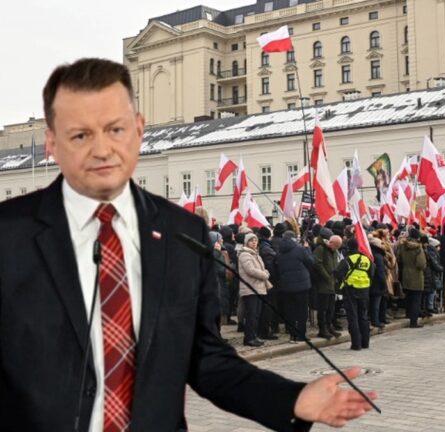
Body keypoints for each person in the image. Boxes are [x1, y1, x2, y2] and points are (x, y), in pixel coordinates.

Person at [0, 58, 377, 431]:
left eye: (115, 129)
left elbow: (208, 360)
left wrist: (290, 400)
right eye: (80, 134)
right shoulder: (9, 235)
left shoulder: (183, 234)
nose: (102, 149)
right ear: (51, 141)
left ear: (138, 129)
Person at [276, 230, 315, 344]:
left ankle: (292, 335)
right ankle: (301, 334)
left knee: (290, 311)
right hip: (302, 285)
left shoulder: (279, 251)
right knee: (302, 311)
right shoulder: (300, 249)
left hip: (286, 285)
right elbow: (311, 262)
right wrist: (307, 249)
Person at [335, 239, 374, 350]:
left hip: (350, 290)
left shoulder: (347, 260)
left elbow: (337, 272)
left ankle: (356, 344)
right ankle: (365, 343)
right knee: (363, 316)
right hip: (364, 290)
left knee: (353, 317)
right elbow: (372, 273)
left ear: (348, 247)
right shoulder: (366, 259)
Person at [238, 233, 271, 347]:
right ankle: (249, 338)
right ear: (246, 242)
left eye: (255, 240)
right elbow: (250, 270)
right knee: (251, 314)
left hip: (258, 287)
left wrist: (265, 272)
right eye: (251, 241)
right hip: (250, 288)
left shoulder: (256, 254)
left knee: (256, 314)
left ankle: (253, 336)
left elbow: (262, 268)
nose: (254, 242)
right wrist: (265, 275)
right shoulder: (245, 254)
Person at [313, 228, 341, 340]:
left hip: (332, 283)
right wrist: (327, 277)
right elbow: (317, 264)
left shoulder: (333, 251)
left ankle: (329, 326)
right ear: (331, 242)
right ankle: (322, 329)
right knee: (323, 308)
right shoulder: (320, 249)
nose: (336, 249)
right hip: (323, 284)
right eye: (336, 246)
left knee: (331, 308)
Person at [396, 228, 428, 328]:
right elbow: (421, 264)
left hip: (405, 274)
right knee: (416, 299)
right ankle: (413, 321)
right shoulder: (419, 248)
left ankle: (408, 314)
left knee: (409, 297)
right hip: (416, 276)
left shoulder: (402, 245)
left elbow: (399, 258)